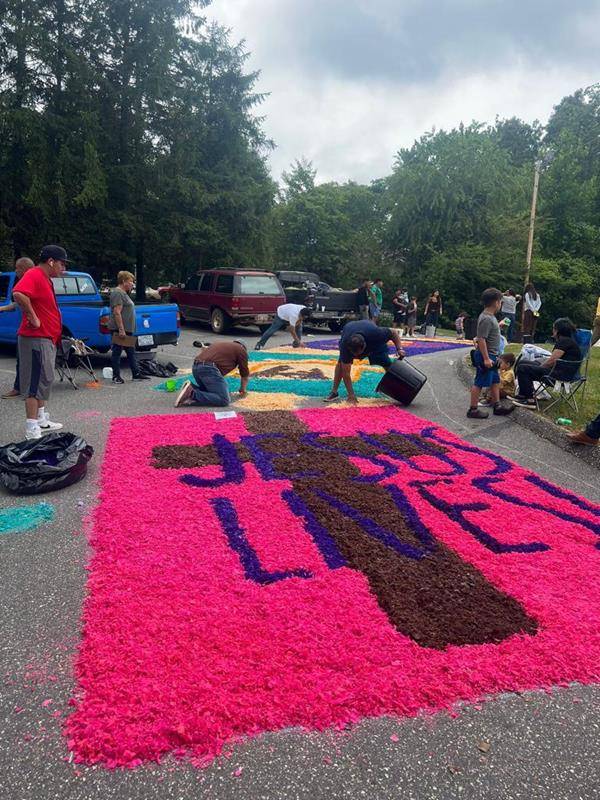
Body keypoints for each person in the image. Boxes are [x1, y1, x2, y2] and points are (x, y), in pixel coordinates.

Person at [12, 245, 66, 440]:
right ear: (51, 261)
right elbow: (18, 294)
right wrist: (33, 317)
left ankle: (41, 419)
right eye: (62, 263)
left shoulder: (46, 278)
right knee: (34, 382)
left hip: (46, 338)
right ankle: (31, 427)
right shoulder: (35, 274)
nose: (64, 268)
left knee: (44, 378)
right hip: (35, 339)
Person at [324, 319, 405, 405]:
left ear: (365, 346)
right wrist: (351, 395)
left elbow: (393, 332)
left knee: (386, 363)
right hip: (350, 332)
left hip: (372, 341)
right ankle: (334, 392)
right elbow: (346, 374)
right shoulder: (345, 346)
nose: (357, 358)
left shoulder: (376, 334)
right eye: (354, 355)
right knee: (341, 365)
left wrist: (399, 349)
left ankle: (399, 388)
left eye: (358, 354)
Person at [467, 288, 514, 420]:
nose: (500, 304)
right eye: (500, 302)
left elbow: (488, 333)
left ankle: (497, 405)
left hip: (493, 355)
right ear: (495, 302)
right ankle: (473, 409)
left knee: (495, 381)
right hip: (486, 356)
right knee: (480, 382)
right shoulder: (486, 318)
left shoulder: (490, 318)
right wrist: (486, 358)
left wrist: (498, 326)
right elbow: (481, 338)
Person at [513, 317, 581, 407]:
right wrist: (538, 365)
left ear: (557, 330)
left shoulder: (564, 342)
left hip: (560, 375)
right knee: (523, 362)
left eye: (553, 328)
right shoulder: (569, 341)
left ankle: (529, 400)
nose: (552, 330)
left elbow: (551, 361)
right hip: (563, 372)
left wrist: (539, 367)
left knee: (523, 368)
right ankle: (522, 395)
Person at [175, 340, 249, 407]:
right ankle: (191, 393)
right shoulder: (241, 350)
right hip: (208, 369)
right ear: (243, 347)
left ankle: (191, 387)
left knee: (209, 392)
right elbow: (244, 373)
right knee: (223, 399)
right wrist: (243, 389)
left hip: (196, 367)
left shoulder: (222, 343)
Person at [0, 256, 34, 398]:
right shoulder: (26, 282)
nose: (16, 271)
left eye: (17, 268)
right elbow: (17, 304)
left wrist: (33, 318)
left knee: (28, 360)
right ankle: (21, 387)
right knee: (22, 360)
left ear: (25, 269)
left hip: (32, 330)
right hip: (26, 328)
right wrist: (2, 308)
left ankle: (27, 390)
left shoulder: (31, 282)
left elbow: (24, 302)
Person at [109, 270, 148, 383]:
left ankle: (136, 373)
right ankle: (116, 376)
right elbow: (117, 312)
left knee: (131, 351)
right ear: (124, 281)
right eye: (131, 281)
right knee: (117, 352)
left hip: (127, 329)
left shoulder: (124, 293)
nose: (132, 284)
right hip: (120, 329)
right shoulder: (118, 293)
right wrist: (121, 329)